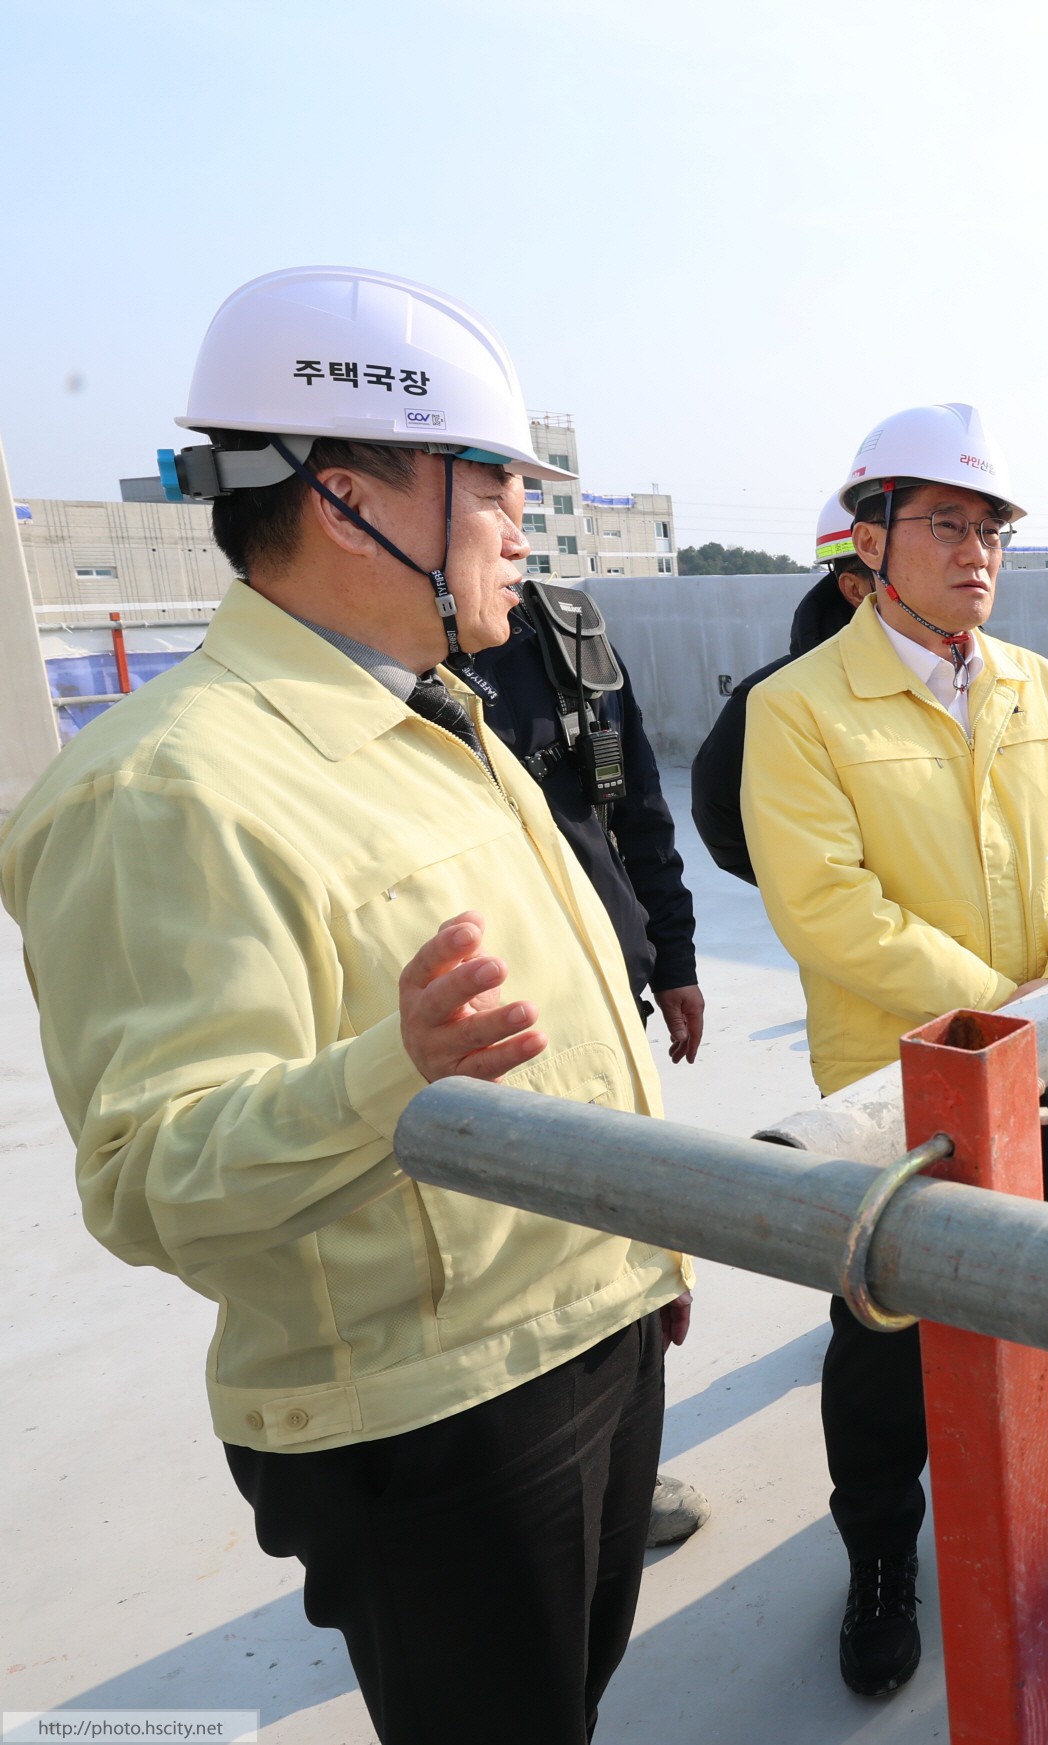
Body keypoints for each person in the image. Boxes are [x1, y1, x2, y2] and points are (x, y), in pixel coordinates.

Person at [0, 267, 690, 1744]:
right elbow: (146, 1176)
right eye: (490, 481)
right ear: (342, 496)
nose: (520, 520)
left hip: (592, 1328)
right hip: (436, 1419)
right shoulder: (167, 788)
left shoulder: (437, 711)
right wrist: (396, 1079)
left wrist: (639, 1249)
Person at [741, 404, 1048, 1699]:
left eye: (991, 529)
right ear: (871, 537)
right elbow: (827, 904)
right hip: (897, 1092)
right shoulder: (798, 710)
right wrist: (997, 1008)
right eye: (947, 524)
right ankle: (875, 1556)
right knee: (886, 1334)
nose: (976, 551)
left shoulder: (1036, 687)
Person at [460, 580, 712, 1547]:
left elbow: (636, 813)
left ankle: (618, 1471)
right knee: (513, 1268)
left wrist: (674, 959)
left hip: (607, 996)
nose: (516, 529)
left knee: (627, 1247)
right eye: (490, 492)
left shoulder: (567, 636)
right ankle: (530, 1500)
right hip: (481, 1024)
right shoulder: (379, 673)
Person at [689, 489, 872, 883]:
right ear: (855, 588)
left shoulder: (1000, 681)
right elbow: (721, 818)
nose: (968, 558)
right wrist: (821, 891)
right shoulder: (774, 698)